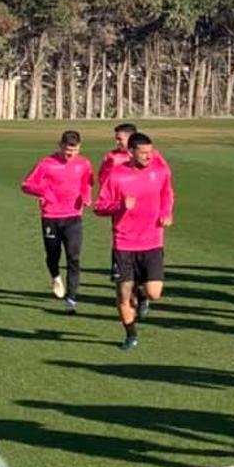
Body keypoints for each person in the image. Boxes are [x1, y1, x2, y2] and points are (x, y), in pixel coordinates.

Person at [93, 133, 175, 351]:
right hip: (124, 244)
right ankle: (130, 334)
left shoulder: (160, 170)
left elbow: (167, 194)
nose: (149, 157)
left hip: (152, 241)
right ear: (130, 153)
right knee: (123, 295)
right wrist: (120, 206)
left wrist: (167, 212)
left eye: (151, 152)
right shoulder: (116, 176)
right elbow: (99, 207)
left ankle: (142, 294)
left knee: (154, 293)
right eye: (144, 153)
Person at [20, 130, 94, 313]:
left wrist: (86, 196)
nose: (71, 154)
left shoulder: (84, 164)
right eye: (68, 150)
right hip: (51, 216)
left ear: (80, 148)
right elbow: (26, 185)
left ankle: (71, 299)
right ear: (60, 145)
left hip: (73, 216)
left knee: (73, 257)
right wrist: (44, 192)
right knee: (53, 255)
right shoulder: (46, 164)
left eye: (75, 150)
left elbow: (87, 182)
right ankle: (55, 276)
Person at [98, 123, 166, 187]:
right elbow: (103, 180)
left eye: (119, 139)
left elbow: (164, 175)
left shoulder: (152, 154)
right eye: (116, 139)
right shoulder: (111, 156)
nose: (117, 142)